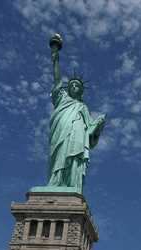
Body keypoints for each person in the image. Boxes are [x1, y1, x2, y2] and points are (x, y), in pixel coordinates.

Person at [46, 33, 106, 194]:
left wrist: (98, 125)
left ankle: (72, 185)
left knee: (74, 159)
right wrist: (55, 57)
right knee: (60, 155)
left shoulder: (83, 107)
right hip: (61, 132)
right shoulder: (62, 98)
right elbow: (57, 79)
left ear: (80, 90)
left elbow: (90, 132)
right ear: (68, 88)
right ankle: (56, 182)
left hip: (78, 135)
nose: (73, 86)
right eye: (71, 84)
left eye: (77, 85)